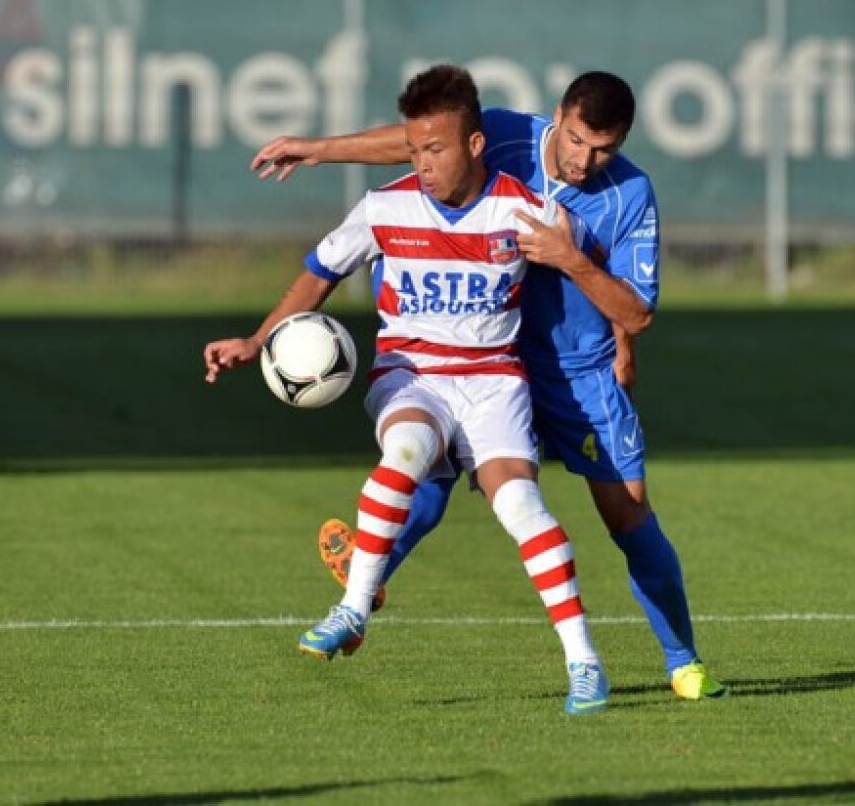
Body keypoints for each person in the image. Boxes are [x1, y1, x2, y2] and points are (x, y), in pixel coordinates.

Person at [252, 71, 725, 701]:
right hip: (487, 354)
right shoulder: (504, 134)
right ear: (559, 117)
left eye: (604, 149)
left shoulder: (630, 193)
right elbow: (418, 141)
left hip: (576, 369)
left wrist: (582, 277)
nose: (585, 161)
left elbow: (635, 311)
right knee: (429, 466)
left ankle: (683, 662)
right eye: (577, 141)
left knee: (628, 514)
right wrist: (319, 149)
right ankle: (366, 584)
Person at [206, 64, 609, 715]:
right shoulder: (383, 208)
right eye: (415, 149)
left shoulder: (528, 211)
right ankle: (352, 608)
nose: (422, 164)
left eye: (435, 149)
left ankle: (585, 663)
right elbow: (319, 274)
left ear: (474, 145)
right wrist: (257, 341)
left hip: (493, 381)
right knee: (405, 452)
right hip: (411, 373)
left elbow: (588, 273)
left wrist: (618, 339)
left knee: (522, 508)